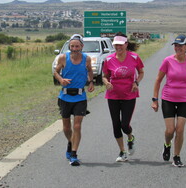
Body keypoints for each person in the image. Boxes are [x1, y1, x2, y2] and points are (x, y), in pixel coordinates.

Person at [102, 33, 144, 162]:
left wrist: (136, 82)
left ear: (126, 45)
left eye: (120, 45)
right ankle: (122, 151)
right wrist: (106, 83)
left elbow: (141, 72)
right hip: (113, 95)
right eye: (116, 45)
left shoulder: (134, 57)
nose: (118, 47)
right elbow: (104, 75)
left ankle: (130, 138)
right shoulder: (108, 59)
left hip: (129, 95)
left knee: (125, 125)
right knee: (116, 125)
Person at [152, 34, 186, 167]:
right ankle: (167, 144)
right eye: (176, 45)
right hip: (168, 98)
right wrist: (155, 99)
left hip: (185, 99)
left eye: (181, 46)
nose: (178, 48)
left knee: (180, 129)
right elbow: (158, 80)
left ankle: (176, 156)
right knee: (170, 131)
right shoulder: (167, 61)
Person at [54, 34, 94, 166]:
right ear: (69, 47)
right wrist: (61, 79)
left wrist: (91, 82)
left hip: (80, 97)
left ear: (82, 46)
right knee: (66, 127)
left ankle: (74, 154)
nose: (74, 48)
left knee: (77, 126)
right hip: (65, 97)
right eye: (72, 46)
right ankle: (71, 142)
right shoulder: (63, 57)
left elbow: (89, 70)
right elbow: (56, 72)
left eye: (77, 46)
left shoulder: (86, 59)